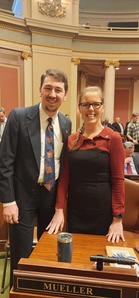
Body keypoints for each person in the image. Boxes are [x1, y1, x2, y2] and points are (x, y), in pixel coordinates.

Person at [0, 68, 72, 286]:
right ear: (40, 90)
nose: (52, 94)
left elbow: (63, 164)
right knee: (22, 257)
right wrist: (8, 201)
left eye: (58, 90)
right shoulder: (19, 117)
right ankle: (19, 291)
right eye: (48, 88)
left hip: (50, 197)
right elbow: (5, 162)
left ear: (65, 95)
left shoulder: (66, 124)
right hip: (22, 198)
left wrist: (60, 206)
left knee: (49, 252)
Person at [47, 86, 125, 244]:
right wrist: (59, 209)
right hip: (76, 211)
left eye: (96, 104)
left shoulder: (113, 138)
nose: (91, 109)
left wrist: (118, 219)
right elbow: (64, 178)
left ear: (102, 107)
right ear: (79, 108)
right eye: (86, 104)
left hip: (102, 212)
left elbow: (118, 181)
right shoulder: (72, 139)